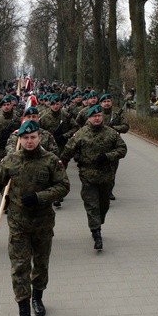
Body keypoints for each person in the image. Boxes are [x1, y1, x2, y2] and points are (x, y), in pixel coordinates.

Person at [0, 120, 70, 316]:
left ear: (39, 138)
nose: (29, 141)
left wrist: (40, 197)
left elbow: (64, 186)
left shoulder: (51, 160)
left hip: (43, 222)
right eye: (25, 138)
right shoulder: (11, 160)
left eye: (33, 137)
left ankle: (38, 296)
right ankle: (24, 313)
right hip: (18, 223)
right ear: (20, 139)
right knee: (19, 267)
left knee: (41, 264)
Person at [60, 104, 127, 251]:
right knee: (92, 205)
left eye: (99, 116)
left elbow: (122, 149)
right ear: (89, 118)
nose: (97, 118)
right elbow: (68, 151)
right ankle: (96, 233)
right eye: (93, 116)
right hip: (88, 176)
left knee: (104, 206)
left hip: (106, 176)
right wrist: (61, 165)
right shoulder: (80, 134)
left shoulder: (111, 133)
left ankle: (99, 221)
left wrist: (108, 156)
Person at [99, 93, 130, 200]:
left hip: (113, 146)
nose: (106, 104)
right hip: (98, 146)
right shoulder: (97, 115)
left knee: (112, 171)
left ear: (111, 102)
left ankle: (109, 191)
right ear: (100, 103)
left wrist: (114, 128)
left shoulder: (117, 114)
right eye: (104, 102)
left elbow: (125, 126)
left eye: (108, 101)